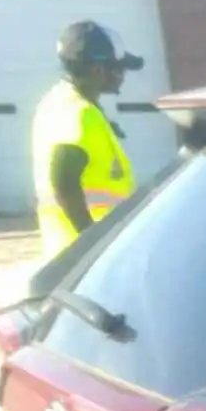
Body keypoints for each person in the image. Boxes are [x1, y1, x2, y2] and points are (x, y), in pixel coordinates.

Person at [31, 20, 143, 259]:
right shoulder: (79, 113)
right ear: (98, 70)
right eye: (119, 68)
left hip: (65, 249)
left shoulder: (57, 100)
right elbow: (62, 178)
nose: (123, 76)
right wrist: (90, 242)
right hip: (86, 255)